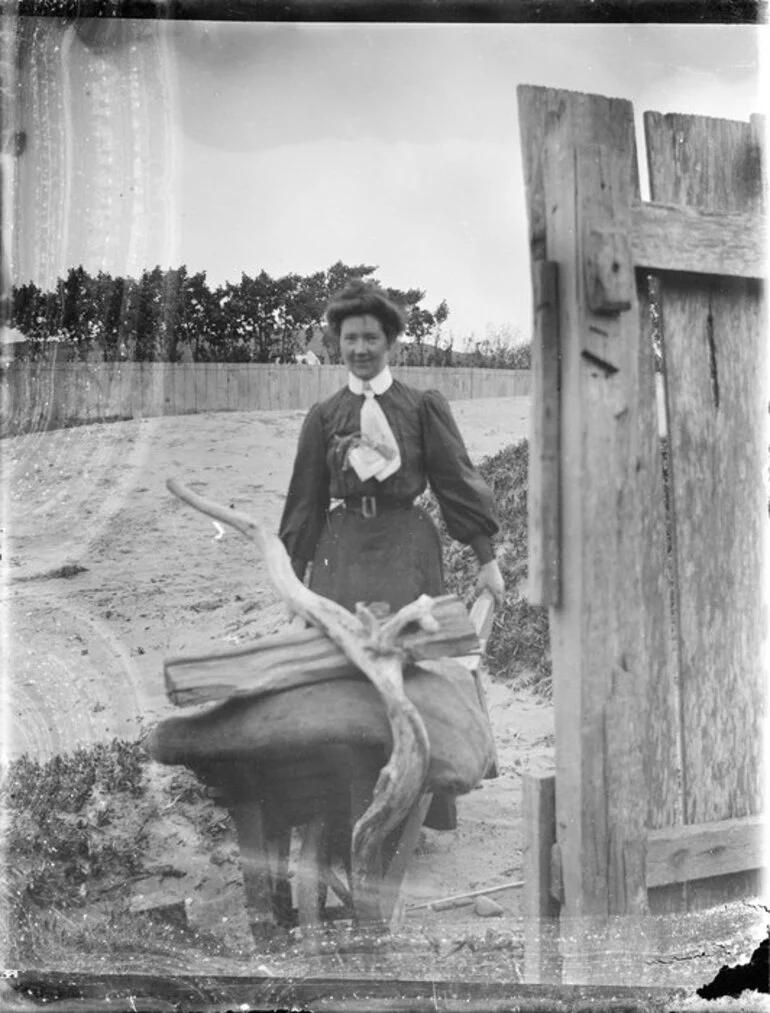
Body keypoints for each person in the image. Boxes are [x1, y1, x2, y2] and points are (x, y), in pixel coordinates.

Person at [278, 280, 504, 830]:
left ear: (393, 344)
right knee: (343, 671)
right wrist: (295, 582)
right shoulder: (325, 415)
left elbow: (456, 480)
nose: (360, 349)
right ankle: (344, 799)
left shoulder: (420, 407)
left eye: (371, 339)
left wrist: (485, 557)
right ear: (336, 343)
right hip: (342, 550)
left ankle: (419, 801)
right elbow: (304, 500)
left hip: (408, 548)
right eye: (349, 338)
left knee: (414, 668)